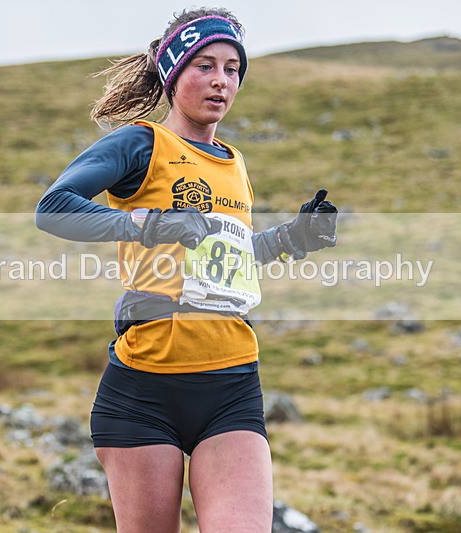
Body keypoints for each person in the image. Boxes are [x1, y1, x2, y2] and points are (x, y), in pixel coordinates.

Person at [35, 7, 338, 532]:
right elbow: (53, 208)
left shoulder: (234, 162)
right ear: (174, 74)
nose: (221, 80)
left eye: (232, 69)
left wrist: (291, 238)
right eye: (205, 66)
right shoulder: (141, 144)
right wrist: (147, 224)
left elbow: (223, 257)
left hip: (232, 382)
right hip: (144, 390)